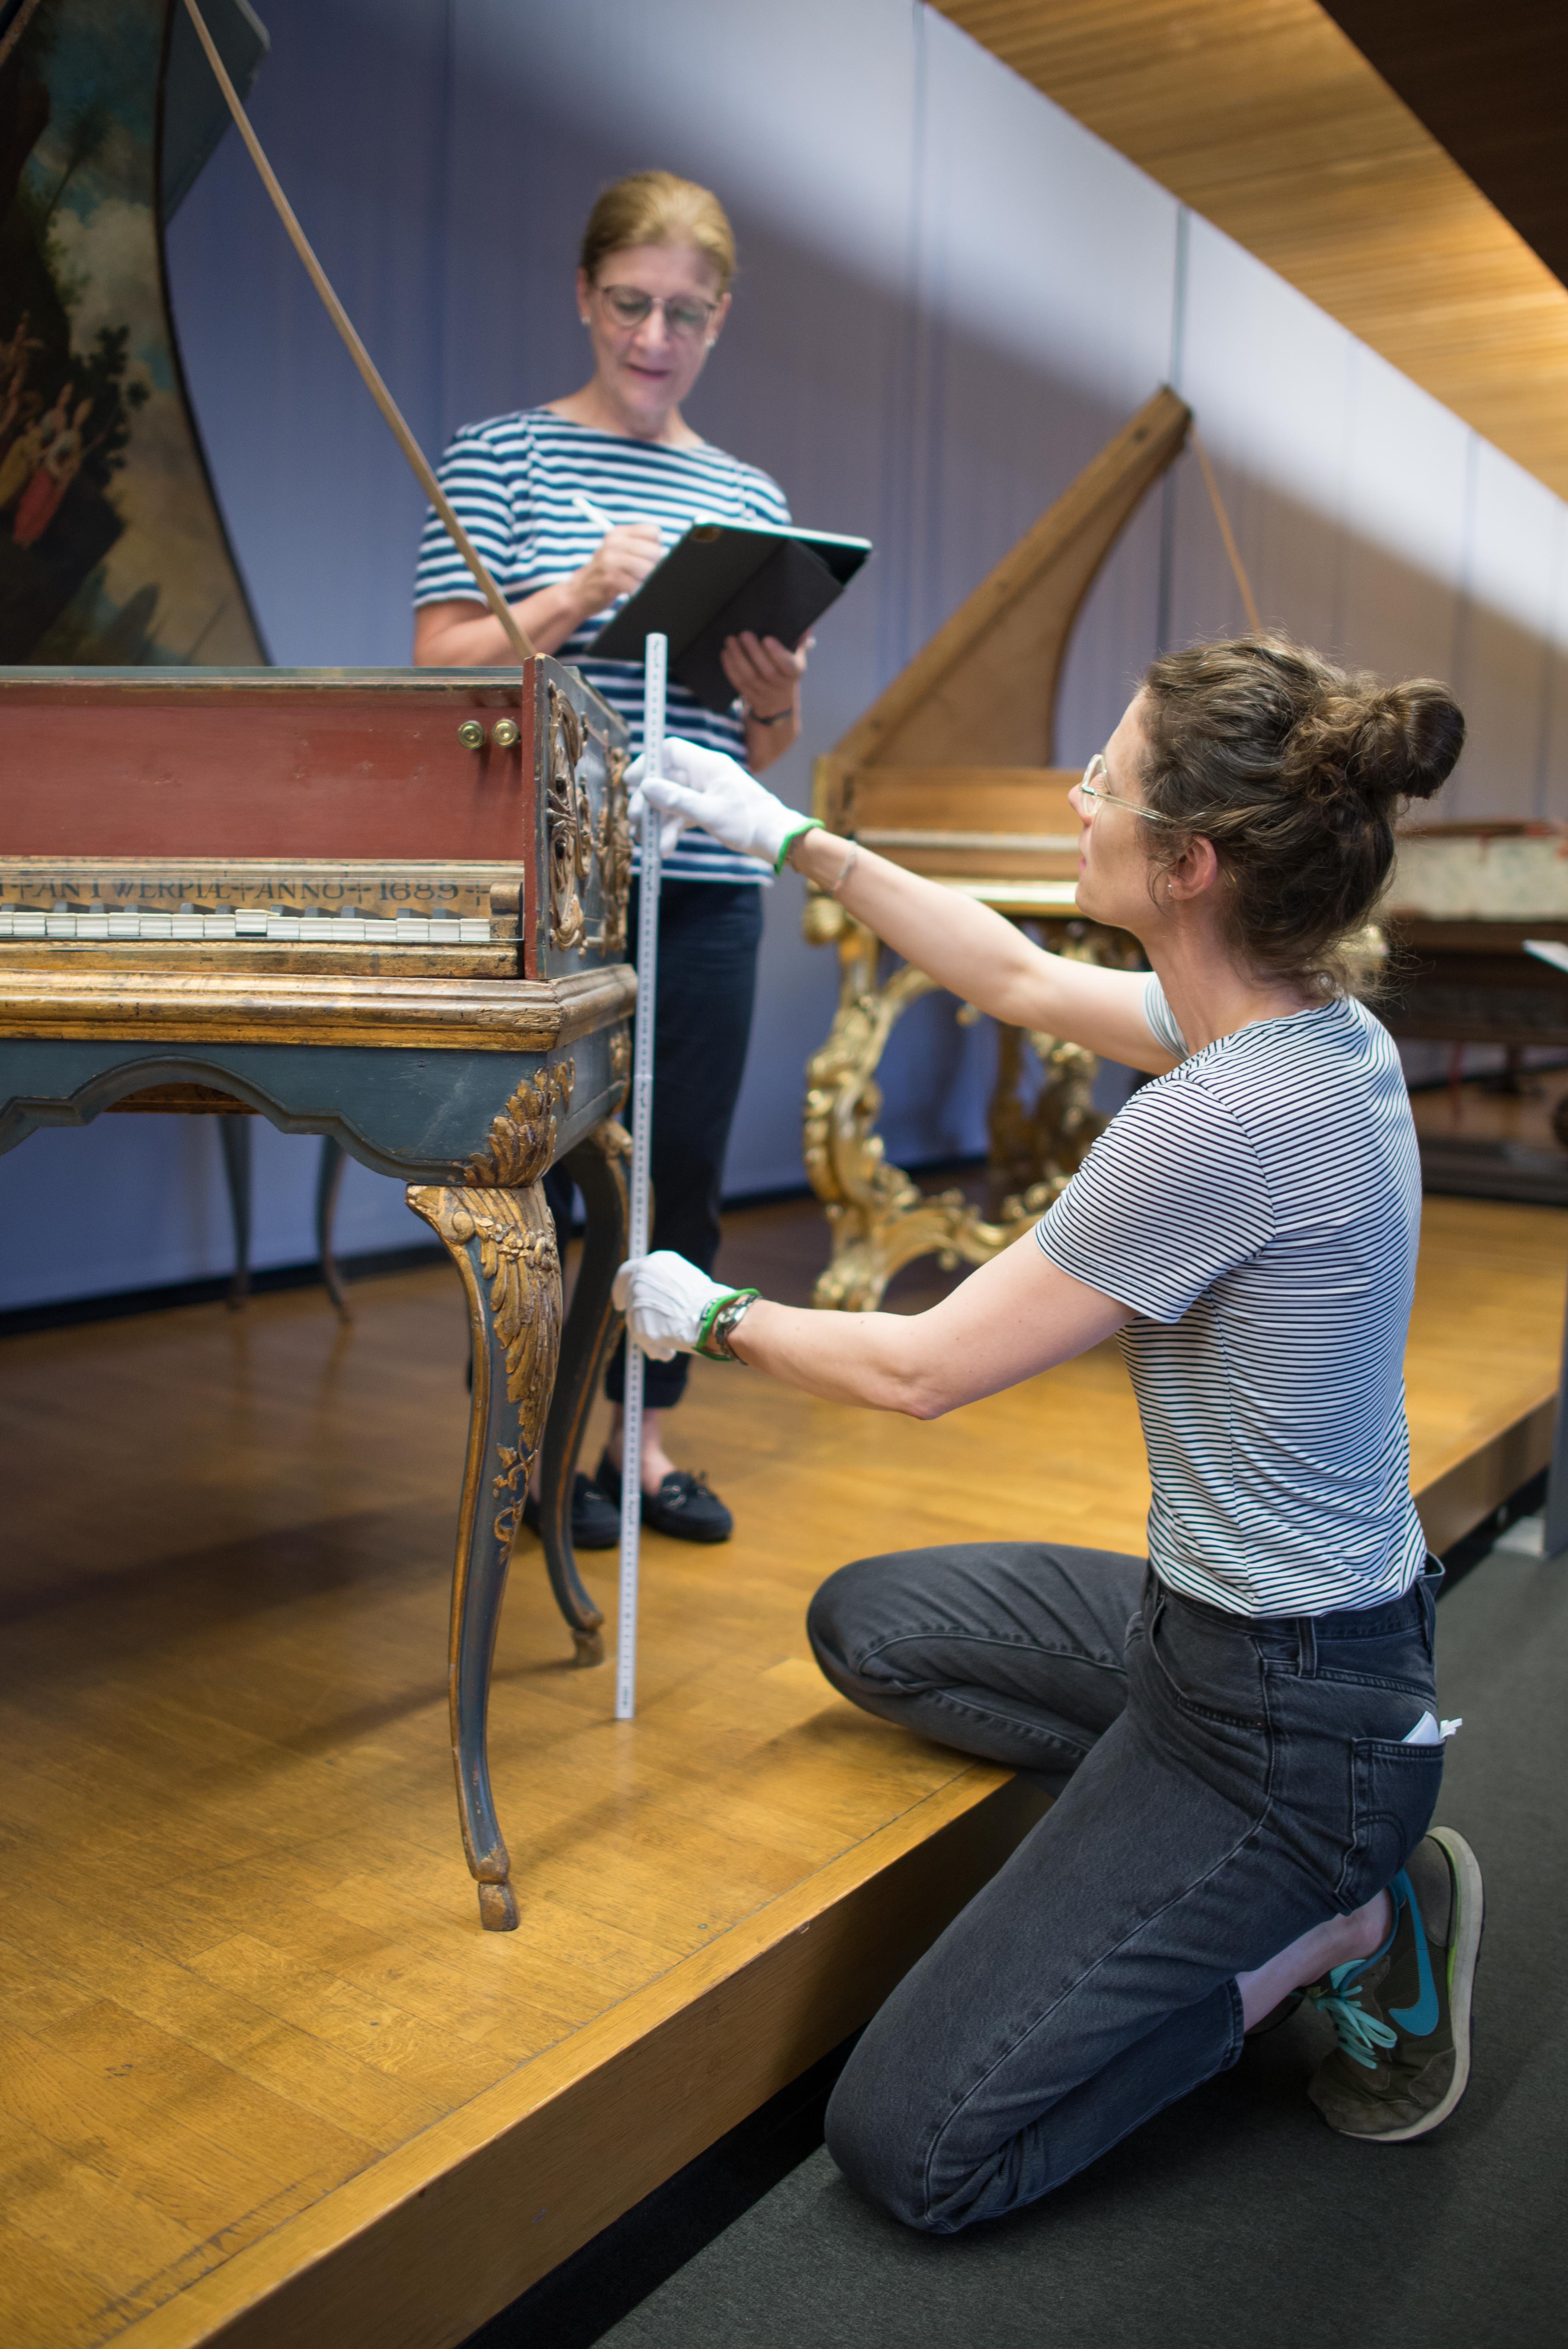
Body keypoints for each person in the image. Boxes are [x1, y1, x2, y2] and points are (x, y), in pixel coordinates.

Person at [614, 634, 1483, 2230]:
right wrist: (775, 829)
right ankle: (1185, 1843)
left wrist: (707, 1311)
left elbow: (921, 1372)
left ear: (1190, 862)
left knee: (912, 2144)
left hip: (1295, 1723)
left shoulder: (1220, 1118)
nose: (1078, 795)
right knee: (869, 1626)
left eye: (1107, 777)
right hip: (1235, 1636)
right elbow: (1006, 971)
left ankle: (1336, 1926)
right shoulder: (1293, 1023)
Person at [414, 170, 806, 1549]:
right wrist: (578, 595)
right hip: (553, 884)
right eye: (631, 305)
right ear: (584, 295)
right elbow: (441, 667)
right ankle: (521, 1454)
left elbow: (757, 743)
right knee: (533, 1171)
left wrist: (768, 696)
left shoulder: (744, 491)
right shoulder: (499, 457)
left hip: (700, 882)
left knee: (681, 1170)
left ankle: (641, 1448)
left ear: (719, 322)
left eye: (685, 315)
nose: (654, 338)